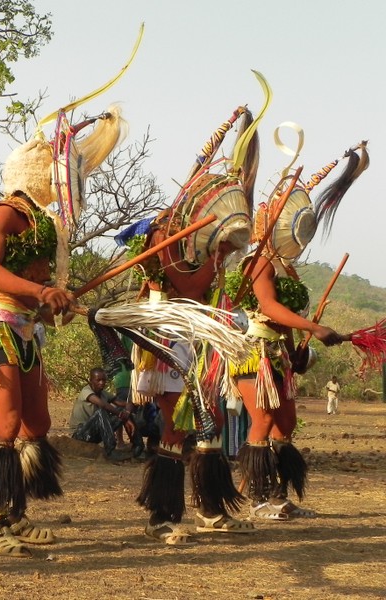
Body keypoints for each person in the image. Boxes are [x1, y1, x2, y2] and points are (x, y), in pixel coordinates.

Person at [0, 100, 126, 556]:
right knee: (6, 422)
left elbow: (36, 291)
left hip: (25, 332)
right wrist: (40, 292)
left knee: (37, 423)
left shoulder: (44, 227)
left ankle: (15, 514)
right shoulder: (3, 214)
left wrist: (52, 302)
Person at [124, 104, 264, 545]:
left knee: (209, 423)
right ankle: (162, 517)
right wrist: (217, 257)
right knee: (176, 426)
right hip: (166, 337)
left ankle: (209, 509)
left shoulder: (190, 232)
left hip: (193, 338)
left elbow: (201, 292)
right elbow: (186, 288)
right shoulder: (164, 233)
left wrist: (217, 256)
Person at [229, 141, 368, 522]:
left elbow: (285, 320)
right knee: (262, 421)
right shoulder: (256, 264)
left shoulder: (285, 268)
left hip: (277, 355)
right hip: (252, 352)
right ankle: (259, 501)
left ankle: (279, 496)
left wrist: (297, 352)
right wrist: (315, 326)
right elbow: (271, 309)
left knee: (286, 423)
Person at [70, 367, 132, 460]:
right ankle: (110, 450)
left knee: (121, 411)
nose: (101, 383)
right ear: (91, 381)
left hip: (93, 433)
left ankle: (138, 446)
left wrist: (127, 412)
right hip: (80, 434)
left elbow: (124, 404)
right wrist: (121, 414)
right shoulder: (86, 391)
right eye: (98, 380)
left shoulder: (103, 393)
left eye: (103, 380)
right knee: (101, 412)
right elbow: (103, 405)